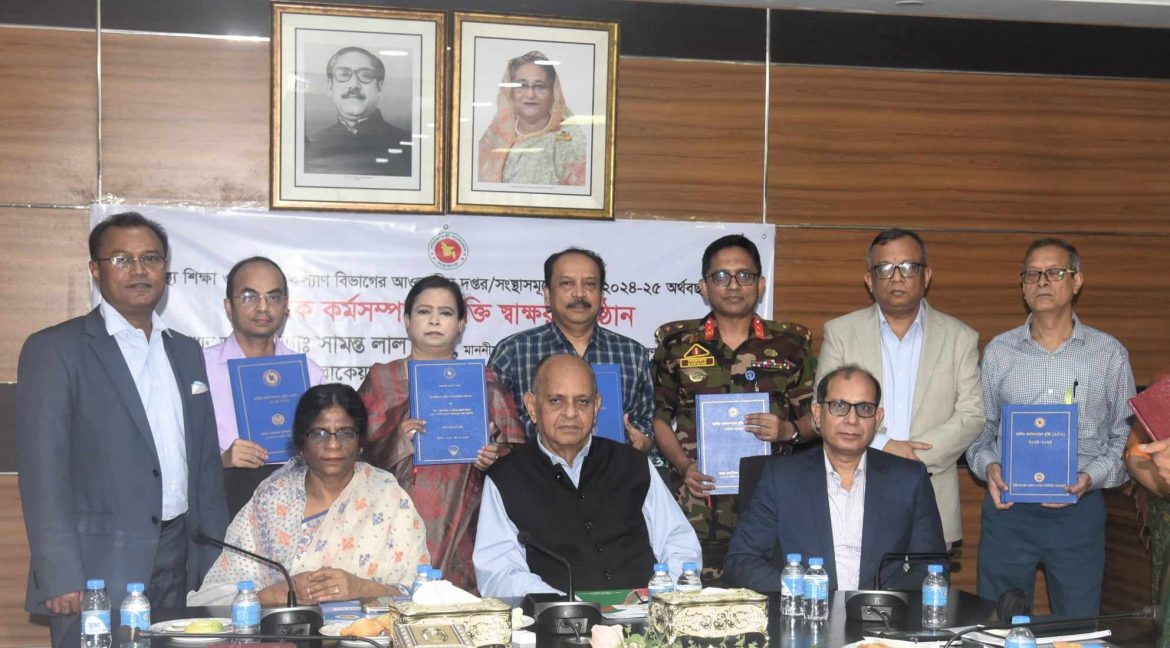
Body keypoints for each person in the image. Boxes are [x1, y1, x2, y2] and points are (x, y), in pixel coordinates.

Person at [16, 212, 229, 648]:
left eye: (150, 258)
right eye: (121, 259)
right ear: (95, 270)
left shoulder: (186, 352)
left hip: (182, 557)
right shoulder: (56, 349)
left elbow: (205, 466)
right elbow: (43, 472)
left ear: (165, 268)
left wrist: (215, 563)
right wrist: (59, 573)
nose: (138, 270)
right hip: (97, 566)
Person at [966, 238, 1134, 616]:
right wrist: (989, 467)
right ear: (1023, 286)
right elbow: (980, 430)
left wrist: (1089, 477)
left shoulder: (1109, 354)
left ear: (1076, 281)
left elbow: (1123, 437)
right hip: (1009, 509)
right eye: (1032, 274)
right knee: (998, 624)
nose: (1042, 281)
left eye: (1054, 272)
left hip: (1079, 511)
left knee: (1078, 626)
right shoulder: (999, 352)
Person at [652, 234, 814, 578]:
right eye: (721, 276)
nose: (733, 285)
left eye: (744, 275)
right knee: (695, 598)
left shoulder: (791, 344)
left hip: (771, 504)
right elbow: (660, 418)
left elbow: (816, 419)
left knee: (768, 594)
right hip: (698, 502)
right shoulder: (677, 344)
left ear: (761, 284)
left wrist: (787, 430)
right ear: (704, 287)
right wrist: (683, 466)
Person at [474, 354, 701, 597]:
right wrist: (565, 605)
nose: (571, 413)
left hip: (645, 612)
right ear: (532, 406)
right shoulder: (506, 477)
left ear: (596, 406)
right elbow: (498, 572)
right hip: (552, 616)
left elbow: (679, 544)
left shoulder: (633, 464)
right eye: (556, 401)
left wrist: (662, 595)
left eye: (582, 401)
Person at [816, 228, 984, 550]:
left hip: (931, 493)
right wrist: (882, 445)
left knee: (927, 583)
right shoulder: (841, 333)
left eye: (908, 267)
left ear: (926, 276)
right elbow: (822, 410)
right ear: (869, 280)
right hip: (853, 489)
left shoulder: (960, 337)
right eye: (885, 268)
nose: (897, 277)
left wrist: (912, 456)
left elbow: (972, 414)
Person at [189, 384, 429, 605]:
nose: (333, 445)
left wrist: (361, 588)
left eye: (345, 433)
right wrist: (278, 593)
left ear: (360, 442)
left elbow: (421, 593)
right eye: (319, 433)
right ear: (300, 443)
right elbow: (220, 595)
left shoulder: (387, 496)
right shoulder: (272, 499)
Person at [358, 275, 525, 593]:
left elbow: (519, 461)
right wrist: (398, 441)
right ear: (407, 320)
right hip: (390, 522)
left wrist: (495, 458)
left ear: (461, 324)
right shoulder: (382, 379)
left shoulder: (484, 383)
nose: (434, 320)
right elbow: (350, 451)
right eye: (424, 311)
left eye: (446, 313)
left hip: (465, 525)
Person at [724, 365, 946, 592]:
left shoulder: (909, 479)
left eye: (864, 408)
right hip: (806, 608)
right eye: (839, 406)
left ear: (877, 418)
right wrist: (805, 591)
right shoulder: (781, 478)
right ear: (817, 414)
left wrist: (885, 602)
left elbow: (932, 565)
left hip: (882, 611)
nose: (852, 420)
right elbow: (741, 561)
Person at [489, 247, 654, 452]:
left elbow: (646, 422)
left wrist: (643, 441)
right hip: (532, 470)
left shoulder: (632, 355)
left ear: (602, 295)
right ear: (547, 295)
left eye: (590, 284)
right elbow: (495, 426)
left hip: (613, 469)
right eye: (567, 283)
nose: (579, 293)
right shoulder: (512, 352)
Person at [205, 257, 324, 469]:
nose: (262, 307)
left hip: (295, 486)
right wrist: (221, 462)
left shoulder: (309, 373)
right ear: (228, 307)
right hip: (224, 487)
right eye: (249, 297)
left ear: (285, 305)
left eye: (273, 297)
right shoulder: (199, 368)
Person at [476, 50, 587, 186]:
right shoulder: (493, 136)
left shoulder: (572, 142)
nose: (530, 94)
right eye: (522, 86)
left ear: (553, 93)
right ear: (510, 92)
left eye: (539, 86)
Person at [305, 46, 412, 177]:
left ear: (379, 87)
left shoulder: (410, 147)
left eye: (365, 75)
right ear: (330, 86)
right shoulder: (309, 144)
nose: (354, 85)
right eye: (344, 74)